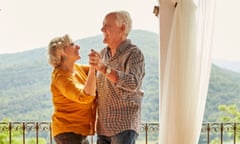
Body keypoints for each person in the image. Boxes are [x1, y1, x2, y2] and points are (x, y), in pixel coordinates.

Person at [88, 10, 145, 144]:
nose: (102, 29)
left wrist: (103, 68)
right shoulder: (103, 54)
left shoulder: (134, 53)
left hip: (123, 126)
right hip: (103, 128)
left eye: (107, 25)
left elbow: (133, 83)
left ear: (123, 28)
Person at [47, 34, 96, 144]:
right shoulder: (61, 77)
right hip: (68, 133)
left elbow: (101, 70)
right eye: (72, 44)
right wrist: (93, 68)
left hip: (79, 133)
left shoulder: (77, 68)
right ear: (62, 51)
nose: (78, 47)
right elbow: (85, 97)